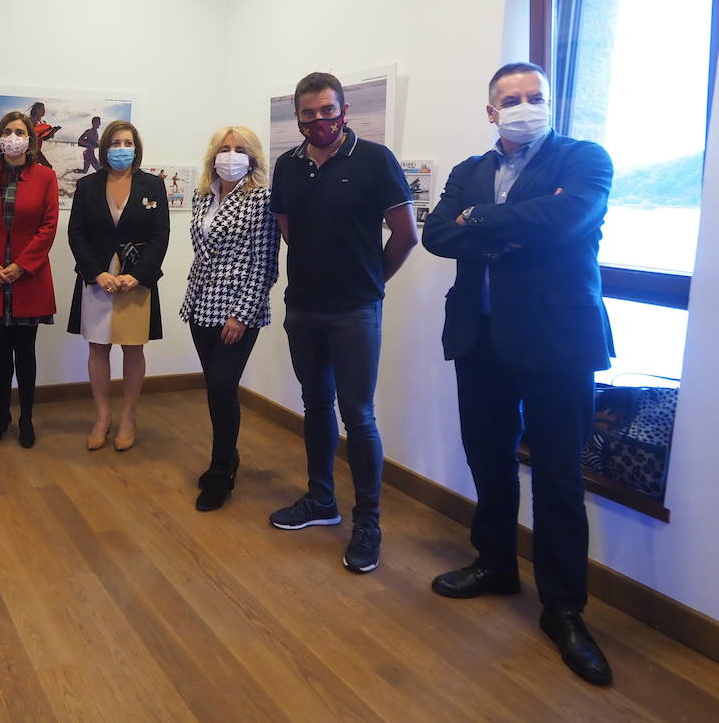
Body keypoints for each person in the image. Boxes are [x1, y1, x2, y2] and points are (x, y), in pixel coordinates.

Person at [423, 62, 614, 686]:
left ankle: (564, 610)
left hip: (557, 341)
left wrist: (475, 222)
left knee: (559, 477)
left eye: (535, 97)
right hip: (480, 339)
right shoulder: (469, 171)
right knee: (489, 458)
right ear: (491, 112)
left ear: (551, 103)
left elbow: (565, 224)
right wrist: (501, 226)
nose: (525, 106)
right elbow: (434, 235)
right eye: (512, 99)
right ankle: (496, 563)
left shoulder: (584, 160)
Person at [267, 72, 417, 575]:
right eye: (308, 114)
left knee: (359, 416)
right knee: (314, 404)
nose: (319, 121)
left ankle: (367, 523)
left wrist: (372, 281)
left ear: (344, 110)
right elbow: (288, 228)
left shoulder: (375, 161)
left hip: (356, 309)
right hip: (303, 306)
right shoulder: (287, 166)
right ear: (298, 117)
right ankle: (320, 500)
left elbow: (405, 235)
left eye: (328, 111)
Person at [179, 126, 279, 510]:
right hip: (200, 303)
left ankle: (222, 470)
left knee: (223, 384)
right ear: (213, 155)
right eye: (225, 148)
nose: (231, 155)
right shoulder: (203, 195)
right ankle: (228, 456)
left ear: (252, 157)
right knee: (215, 387)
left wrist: (241, 314)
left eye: (239, 149)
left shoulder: (262, 199)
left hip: (238, 309)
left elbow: (264, 264)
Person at [66, 120, 169, 453]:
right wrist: (96, 272)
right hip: (99, 279)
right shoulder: (87, 186)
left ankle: (127, 418)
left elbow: (160, 236)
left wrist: (138, 275)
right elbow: (76, 234)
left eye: (128, 142)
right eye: (115, 142)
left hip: (135, 281)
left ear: (136, 148)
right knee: (97, 347)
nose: (122, 148)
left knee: (133, 348)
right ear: (104, 147)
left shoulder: (153, 186)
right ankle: (102, 416)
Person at [0, 110, 59, 448]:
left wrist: (21, 265)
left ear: (31, 140)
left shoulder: (46, 178)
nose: (12, 137)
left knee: (26, 351)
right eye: (7, 131)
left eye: (19, 131)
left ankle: (27, 418)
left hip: (28, 278)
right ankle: (2, 415)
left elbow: (48, 225)